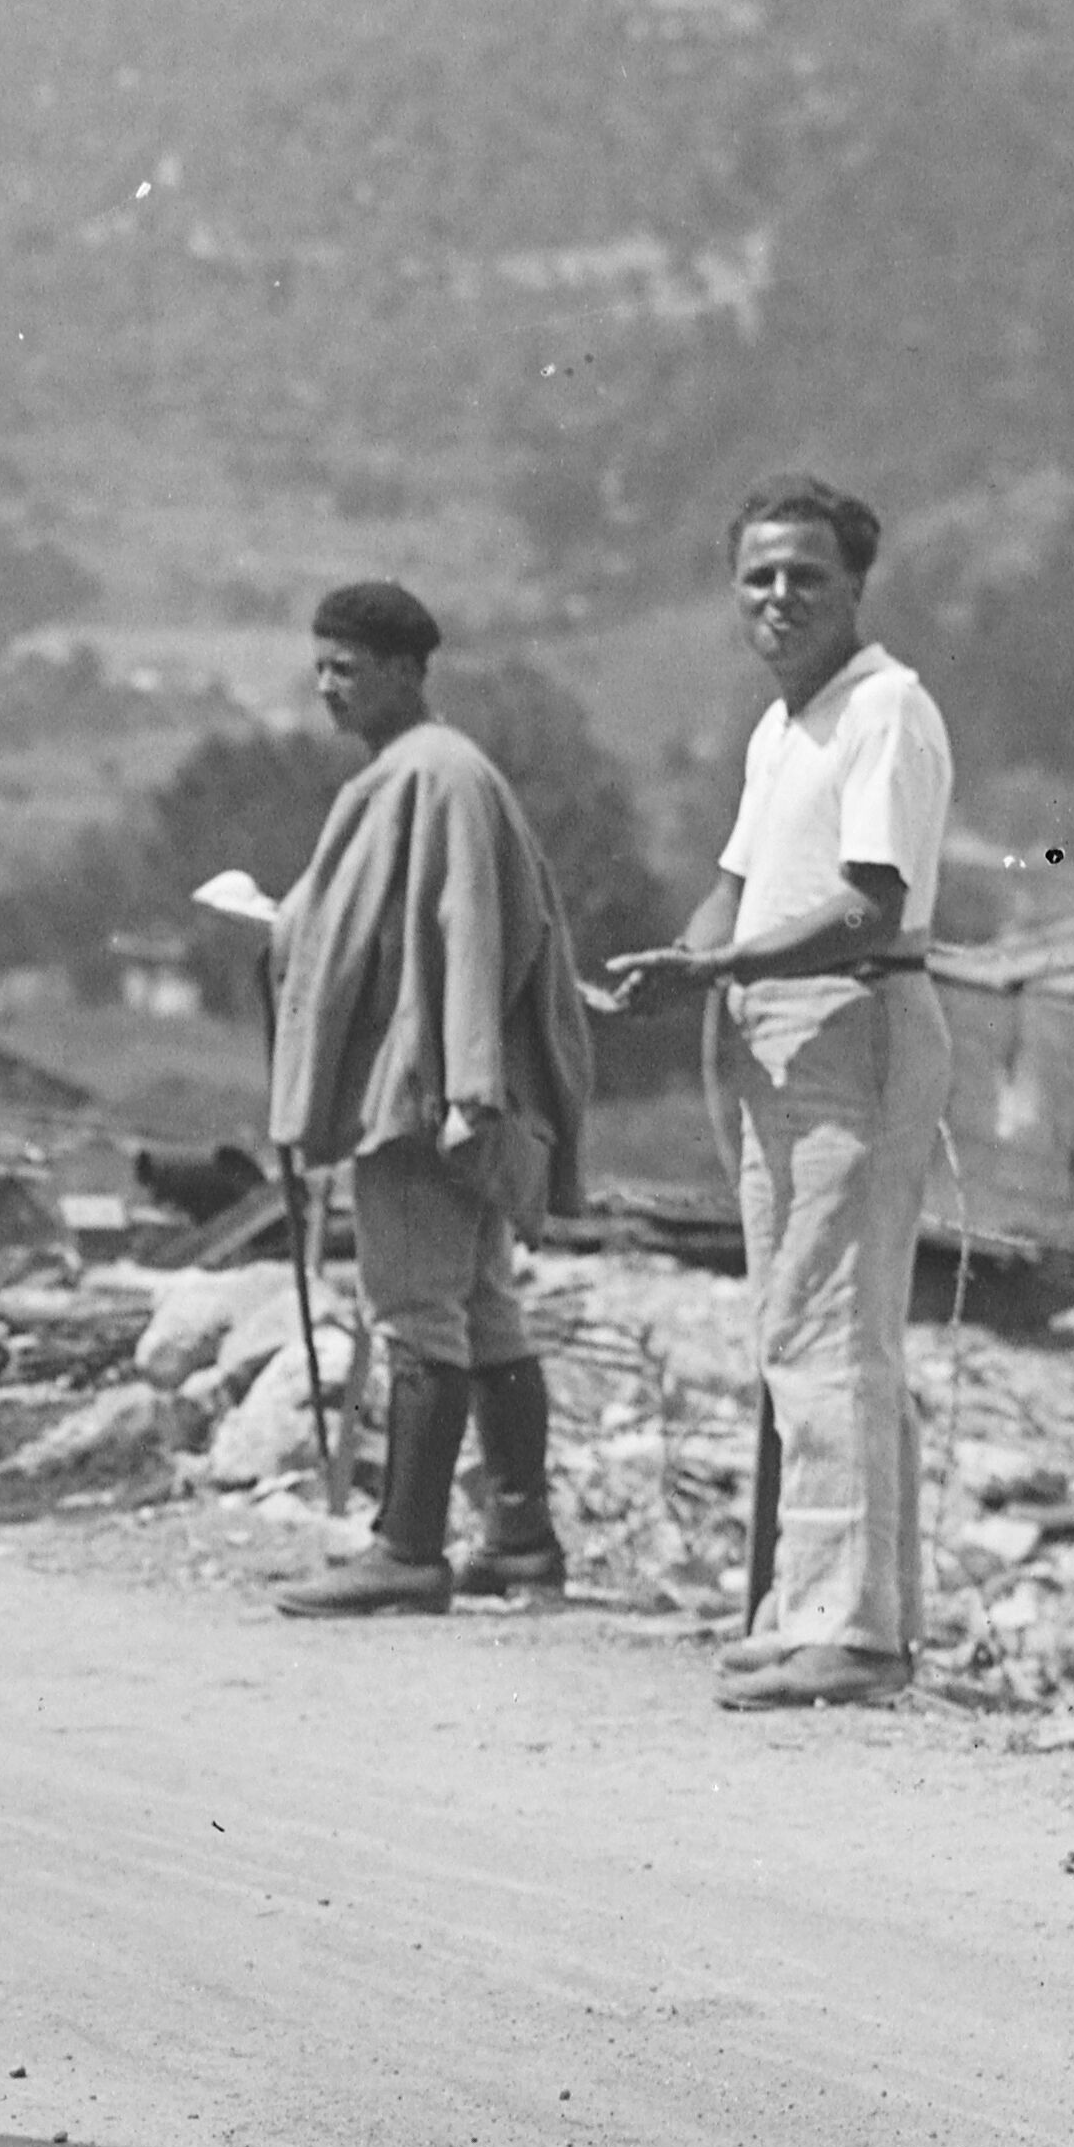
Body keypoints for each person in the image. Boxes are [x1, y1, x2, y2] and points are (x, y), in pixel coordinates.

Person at [598, 474, 959, 1709]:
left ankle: (847, 1633)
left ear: (855, 584)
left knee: (828, 1330)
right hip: (774, 1029)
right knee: (800, 1325)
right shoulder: (781, 727)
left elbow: (870, 901)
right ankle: (831, 1609)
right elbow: (736, 887)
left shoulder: (884, 711)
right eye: (757, 575)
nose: (778, 596)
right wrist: (674, 972)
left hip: (849, 1019)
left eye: (805, 574)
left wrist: (723, 964)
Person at [257, 576, 593, 1620]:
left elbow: (472, 933)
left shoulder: (432, 777)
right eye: (318, 667)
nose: (326, 688)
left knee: (412, 1313)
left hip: (419, 1091)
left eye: (346, 669)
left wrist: (468, 1087)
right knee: (481, 1309)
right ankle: (520, 1538)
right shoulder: (424, 773)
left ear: (407, 670)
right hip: (437, 1080)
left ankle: (406, 1547)